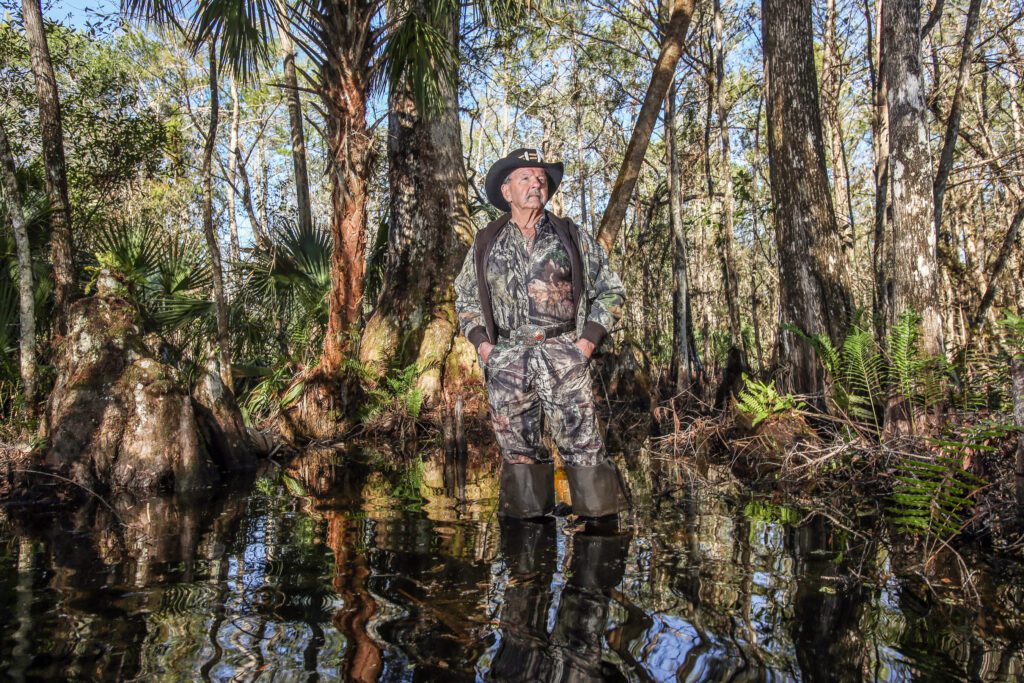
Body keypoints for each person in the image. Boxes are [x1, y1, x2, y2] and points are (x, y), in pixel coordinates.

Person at [455, 148, 630, 519]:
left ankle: (599, 547)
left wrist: (585, 344)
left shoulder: (570, 235)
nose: (535, 185)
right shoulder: (486, 241)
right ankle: (526, 558)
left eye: (541, 179)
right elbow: (465, 297)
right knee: (518, 453)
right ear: (507, 191)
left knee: (583, 448)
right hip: (507, 360)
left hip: (564, 354)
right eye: (526, 178)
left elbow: (611, 290)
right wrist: (484, 347)